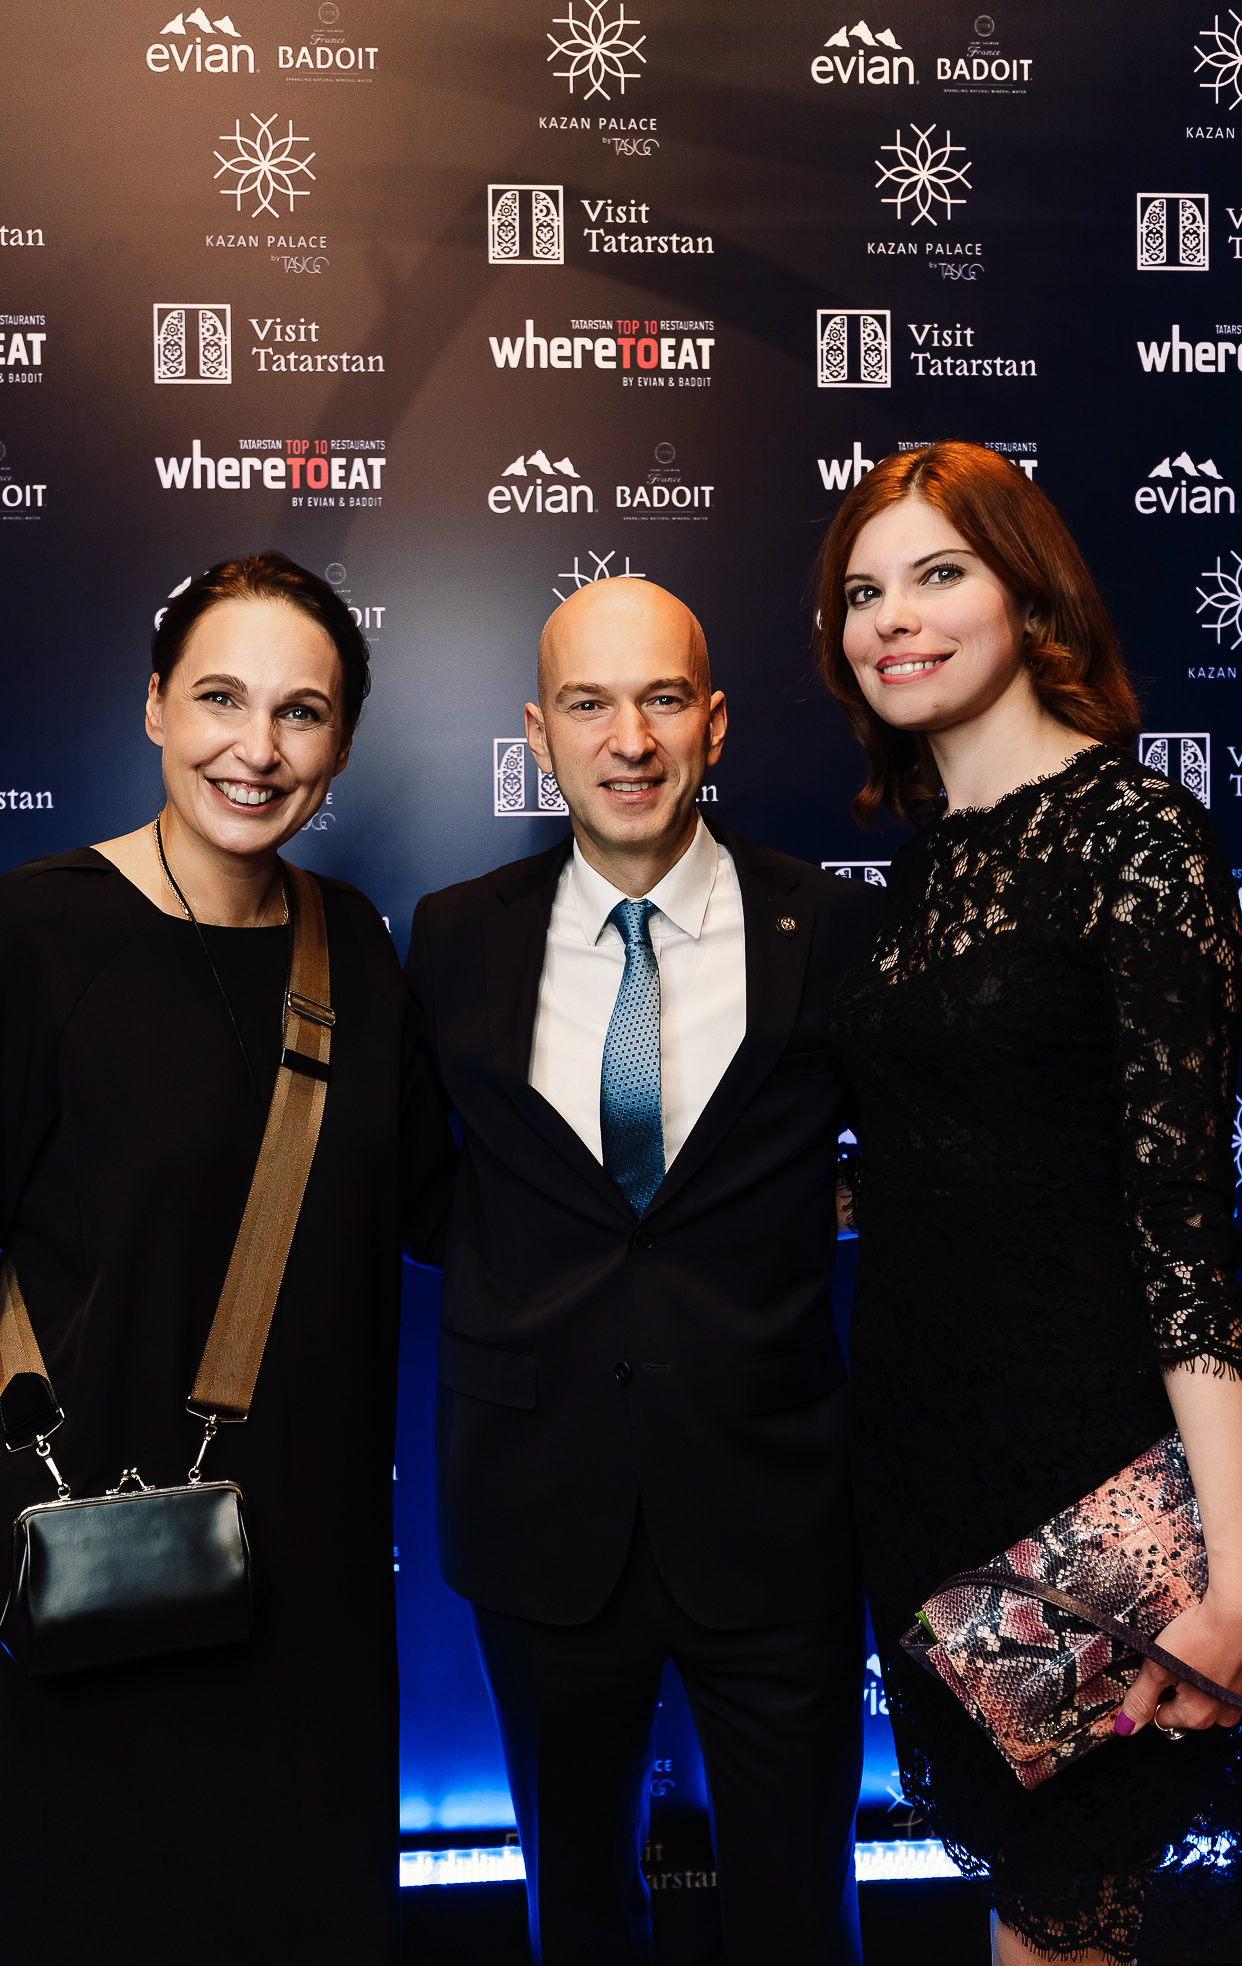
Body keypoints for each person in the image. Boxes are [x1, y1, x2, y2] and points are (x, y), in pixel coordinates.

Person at [0, 552, 456, 1965]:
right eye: (221, 698)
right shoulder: (33, 933)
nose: (256, 748)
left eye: (301, 711)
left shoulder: (356, 944)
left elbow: (443, 1209)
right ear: (155, 705)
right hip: (72, 1552)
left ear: (342, 742)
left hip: (305, 1582)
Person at [817, 443, 1242, 1966]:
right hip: (921, 1462)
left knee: (1069, 1918)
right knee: (1026, 1907)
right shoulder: (925, 868)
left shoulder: (1137, 837)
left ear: (1031, 595)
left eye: (939, 574)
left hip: (1089, 1481)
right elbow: (944, 1151)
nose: (892, 618)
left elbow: (1184, 1220)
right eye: (863, 592)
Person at [405, 575, 881, 1965]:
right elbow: (422, 1185)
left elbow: (918, 1163)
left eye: (663, 699)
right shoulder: (456, 934)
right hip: (539, 1508)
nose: (629, 740)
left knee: (802, 1914)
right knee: (578, 1913)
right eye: (589, 704)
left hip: (776, 1507)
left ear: (713, 723)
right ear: (538, 734)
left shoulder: (828, 930)